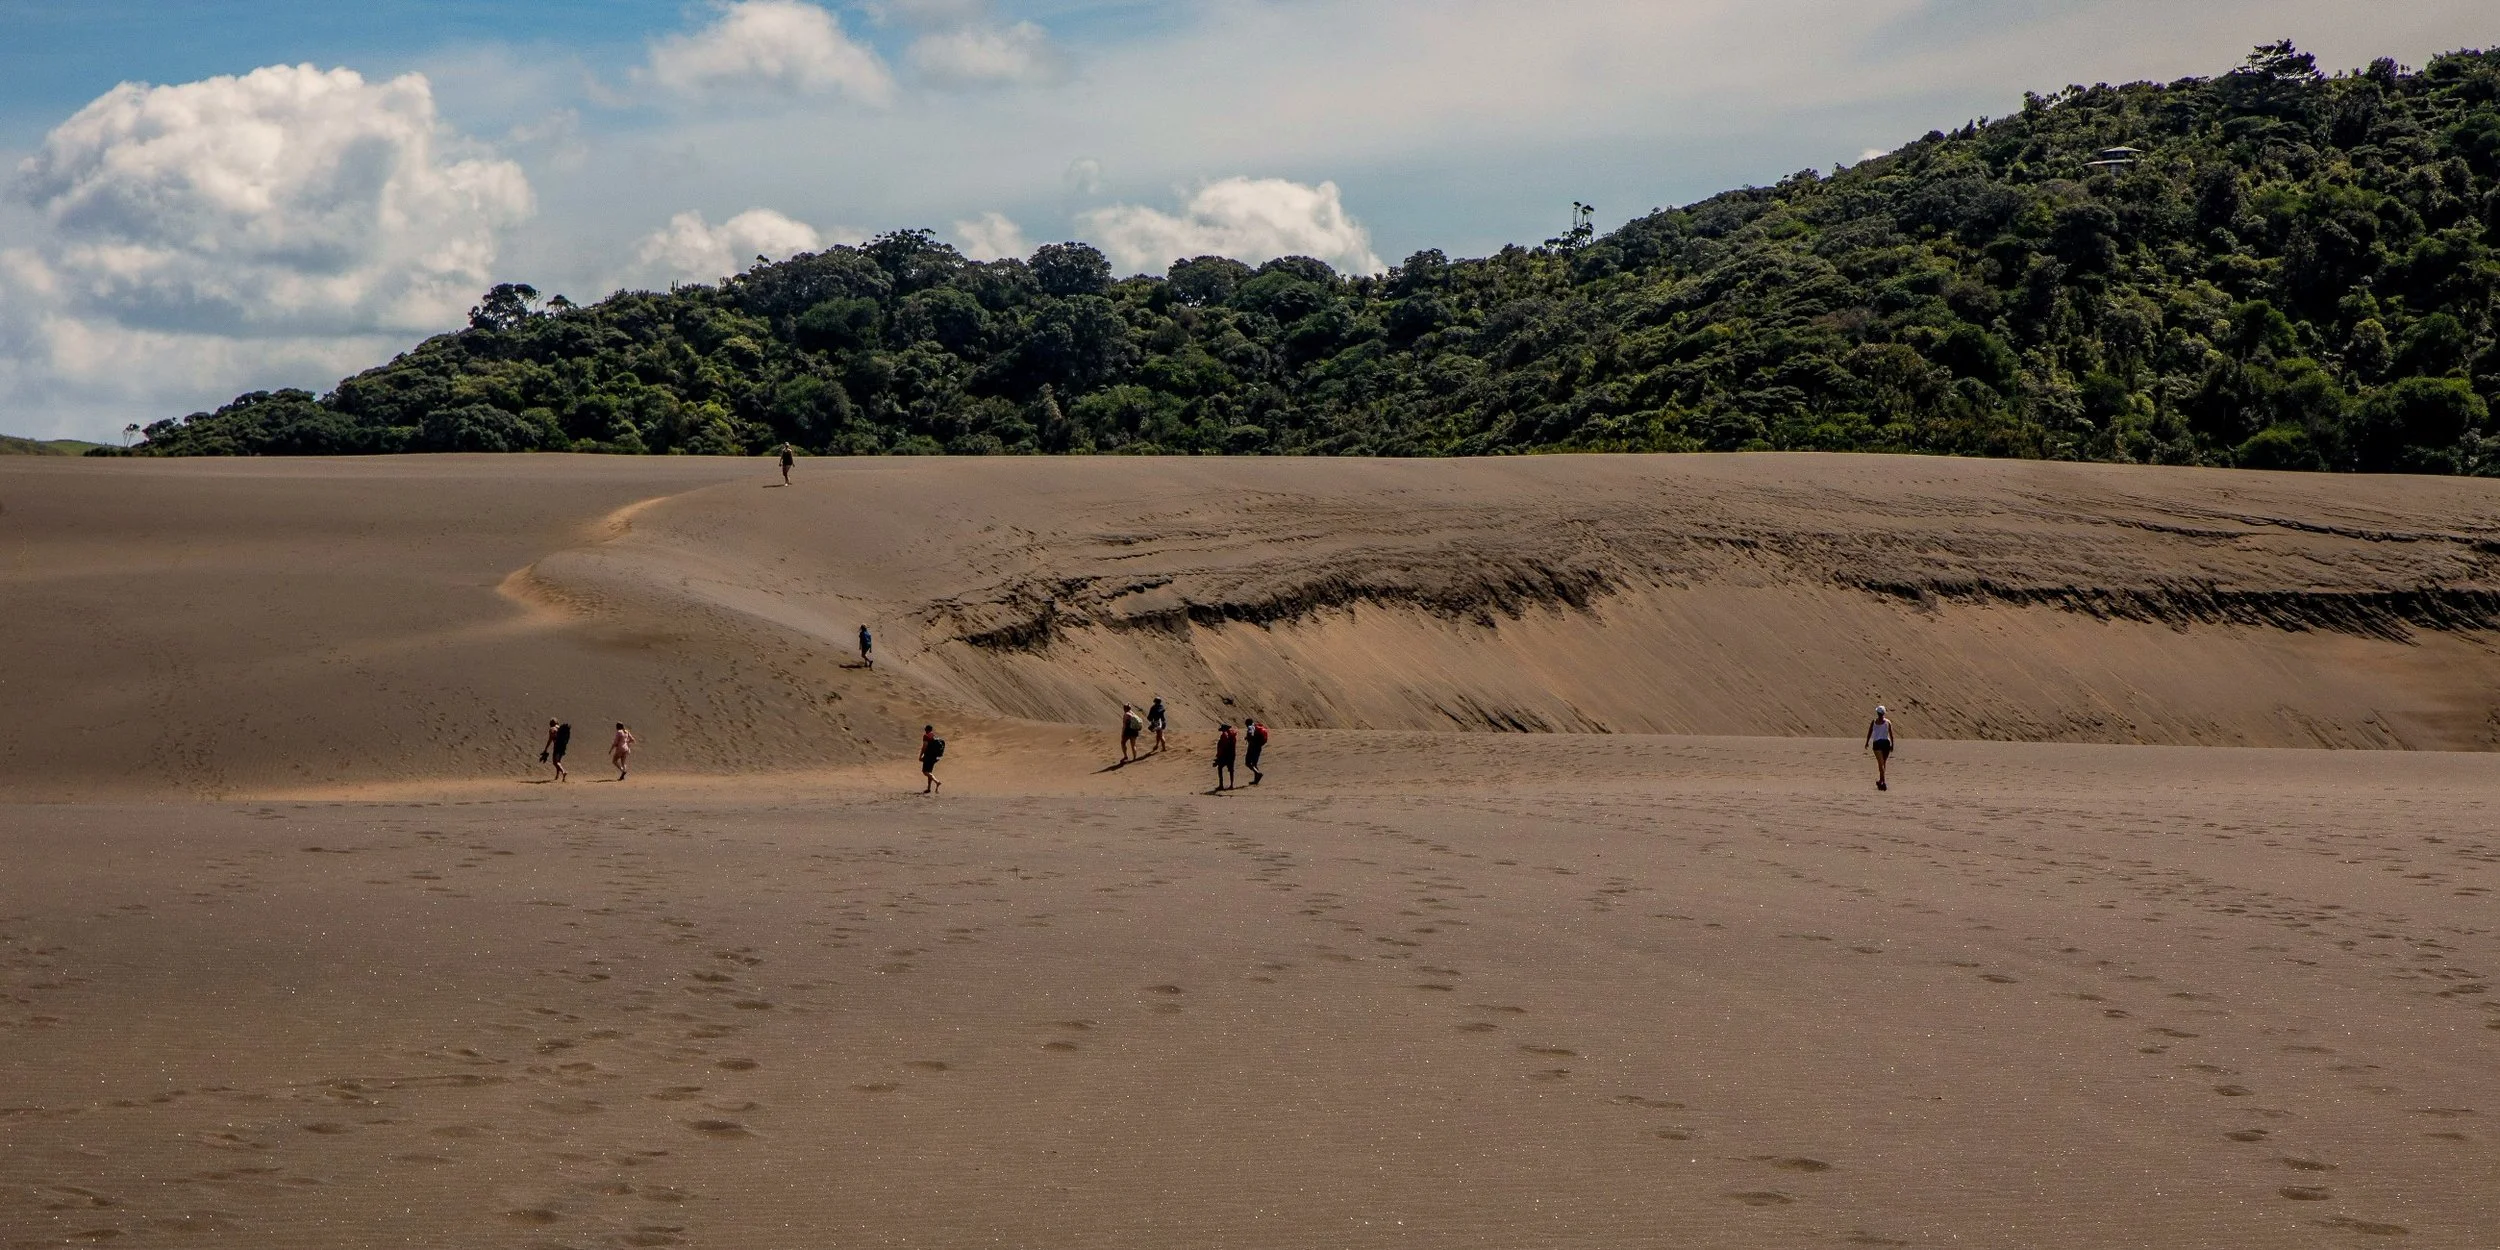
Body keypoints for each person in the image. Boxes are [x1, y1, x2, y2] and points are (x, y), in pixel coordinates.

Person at [1865, 705, 1896, 791]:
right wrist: (1892, 744)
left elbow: (1870, 732)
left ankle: (1883, 782)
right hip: (1886, 743)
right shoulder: (1888, 722)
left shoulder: (1874, 722)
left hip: (1877, 743)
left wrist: (1867, 742)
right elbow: (1891, 734)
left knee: (1880, 763)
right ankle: (1881, 780)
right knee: (1883, 763)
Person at [1212, 722, 1238, 792]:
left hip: (1224, 755)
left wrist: (1218, 757)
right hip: (1232, 755)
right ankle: (1231, 785)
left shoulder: (1224, 735)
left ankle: (1221, 785)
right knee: (1231, 770)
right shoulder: (1233, 735)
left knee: (1220, 768)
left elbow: (1221, 747)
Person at [920, 725, 945, 795]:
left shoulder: (926, 736)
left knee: (925, 772)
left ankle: (937, 781)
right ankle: (928, 788)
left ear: (926, 729)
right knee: (929, 772)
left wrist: (921, 755)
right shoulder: (934, 736)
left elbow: (924, 746)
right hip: (934, 757)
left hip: (928, 756)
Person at [1244, 718, 1268, 785]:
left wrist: (1249, 738)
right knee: (1254, 764)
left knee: (1247, 763)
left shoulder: (1250, 727)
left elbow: (1250, 733)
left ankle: (1258, 773)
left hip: (1252, 747)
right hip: (1258, 747)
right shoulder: (1256, 726)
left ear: (1247, 723)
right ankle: (1256, 780)